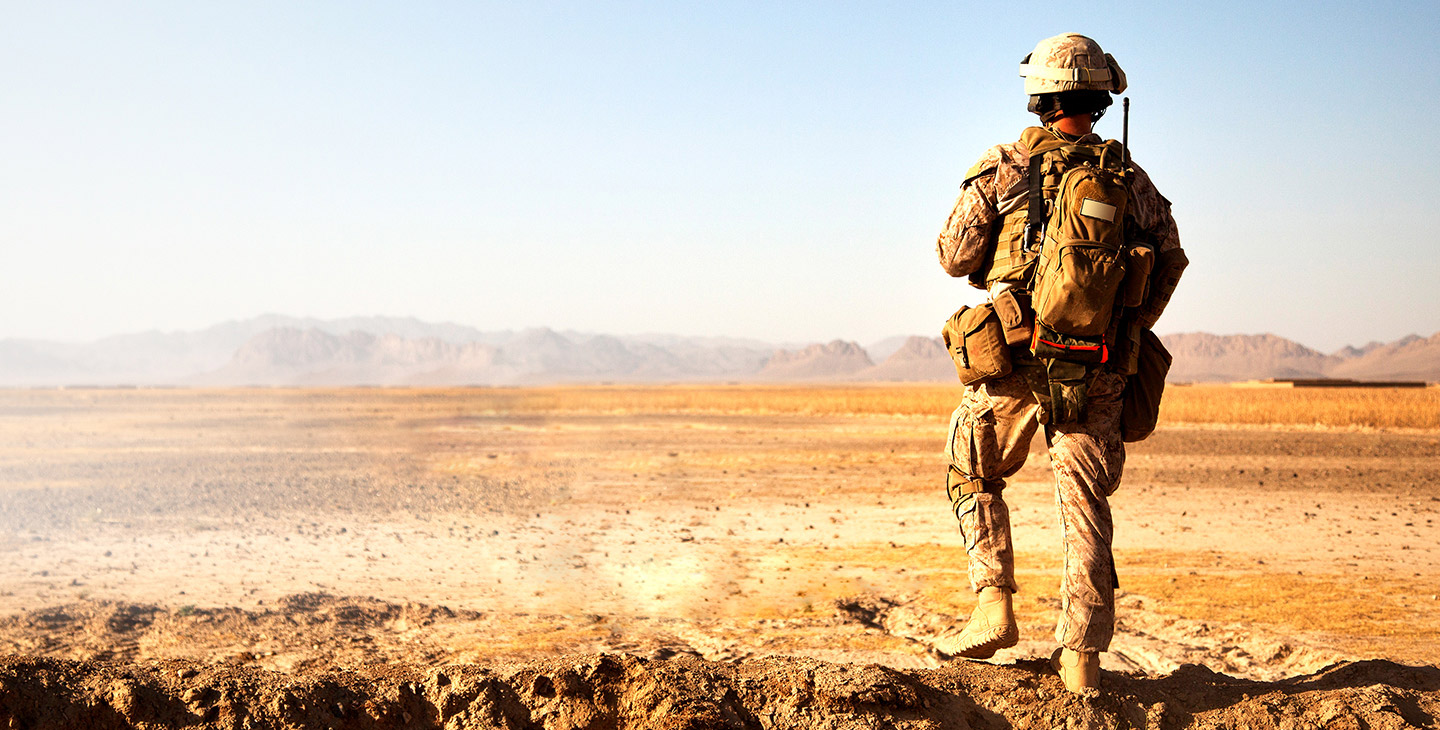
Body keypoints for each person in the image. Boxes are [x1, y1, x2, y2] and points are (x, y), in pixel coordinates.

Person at [931, 33, 1186, 693]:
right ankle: (1081, 656)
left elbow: (955, 256)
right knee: (1084, 502)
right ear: (1101, 97)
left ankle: (993, 606)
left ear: (1039, 94)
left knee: (969, 467)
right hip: (1098, 366)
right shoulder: (1128, 179)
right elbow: (1170, 255)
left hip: (1015, 361)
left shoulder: (1005, 167)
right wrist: (1123, 325)